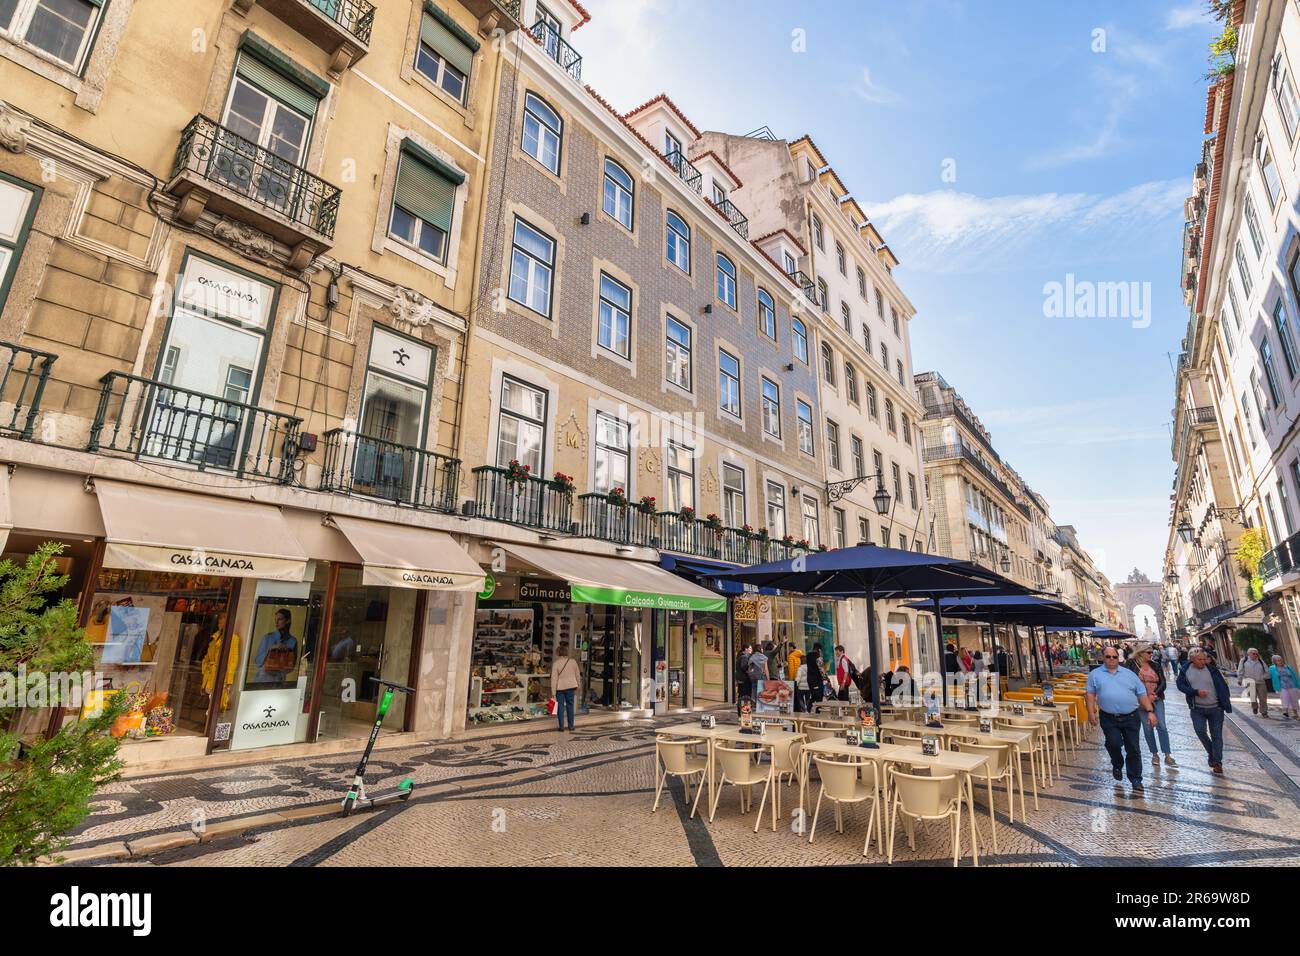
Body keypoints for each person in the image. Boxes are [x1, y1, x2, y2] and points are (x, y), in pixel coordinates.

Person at [1085, 645, 1159, 793]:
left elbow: (1141, 693)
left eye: (1114, 657)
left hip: (1131, 716)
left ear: (1118, 658)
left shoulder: (1129, 674)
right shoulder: (1095, 674)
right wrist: (1091, 712)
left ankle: (1136, 779)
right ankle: (1117, 763)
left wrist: (1150, 711)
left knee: (1133, 747)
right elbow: (1090, 694)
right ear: (1103, 658)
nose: (1112, 659)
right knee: (1113, 744)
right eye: (1108, 657)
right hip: (1108, 717)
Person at [1176, 647, 1233, 775]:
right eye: (1199, 659)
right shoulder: (1185, 670)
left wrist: (1225, 701)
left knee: (1217, 735)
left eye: (1204, 659)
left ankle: (1217, 762)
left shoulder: (1212, 670)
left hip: (1216, 708)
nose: (1203, 661)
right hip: (1197, 708)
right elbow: (1180, 685)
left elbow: (1223, 685)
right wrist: (1194, 692)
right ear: (1192, 660)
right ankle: (1212, 753)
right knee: (1200, 730)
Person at [1125, 642, 1176, 767]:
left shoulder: (1155, 665)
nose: (1151, 654)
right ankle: (1154, 754)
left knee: (1162, 726)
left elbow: (1163, 682)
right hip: (1141, 701)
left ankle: (1167, 755)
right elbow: (1129, 684)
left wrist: (1154, 695)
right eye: (1148, 652)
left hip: (1157, 698)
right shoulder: (1131, 666)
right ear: (1140, 653)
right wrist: (1143, 698)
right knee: (1148, 728)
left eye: (1151, 652)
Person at [253, 608, 299, 684]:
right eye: (275, 619)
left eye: (280, 619)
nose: (276, 622)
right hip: (262, 681)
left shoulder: (293, 641)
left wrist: (286, 655)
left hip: (279, 682)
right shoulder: (267, 638)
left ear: (288, 620)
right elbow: (258, 662)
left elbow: (292, 667)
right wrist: (271, 649)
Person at [550, 641, 580, 732]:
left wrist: (553, 692)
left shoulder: (556, 664)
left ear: (558, 653)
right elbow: (577, 674)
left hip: (560, 688)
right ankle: (571, 726)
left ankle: (561, 727)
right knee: (570, 706)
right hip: (571, 687)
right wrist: (579, 684)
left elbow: (554, 679)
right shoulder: (573, 662)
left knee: (560, 706)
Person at [1239, 647, 1271, 718]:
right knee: (1253, 697)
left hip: (1260, 682)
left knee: (1263, 697)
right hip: (1250, 682)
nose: (1255, 655)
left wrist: (1263, 677)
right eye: (1254, 654)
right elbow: (1240, 670)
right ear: (1249, 654)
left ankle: (1264, 712)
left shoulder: (1260, 661)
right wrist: (1239, 679)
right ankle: (1255, 706)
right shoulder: (1244, 660)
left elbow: (1267, 671)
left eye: (1257, 654)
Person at [1270, 655, 1299, 719]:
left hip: (1291, 684)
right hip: (1282, 685)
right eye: (1278, 660)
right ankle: (1285, 711)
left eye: (1281, 660)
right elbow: (1272, 677)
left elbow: (1294, 675)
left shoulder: (1288, 667)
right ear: (1275, 662)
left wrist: (1298, 684)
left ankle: (1295, 713)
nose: (1280, 661)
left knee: (1294, 699)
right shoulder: (1272, 668)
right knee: (1284, 698)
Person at [735, 643, 753, 714]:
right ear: (746, 649)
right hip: (744, 679)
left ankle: (740, 711)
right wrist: (750, 670)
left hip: (740, 679)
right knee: (745, 696)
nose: (751, 650)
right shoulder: (744, 657)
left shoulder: (740, 656)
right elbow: (744, 667)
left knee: (741, 696)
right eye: (750, 648)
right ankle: (744, 712)